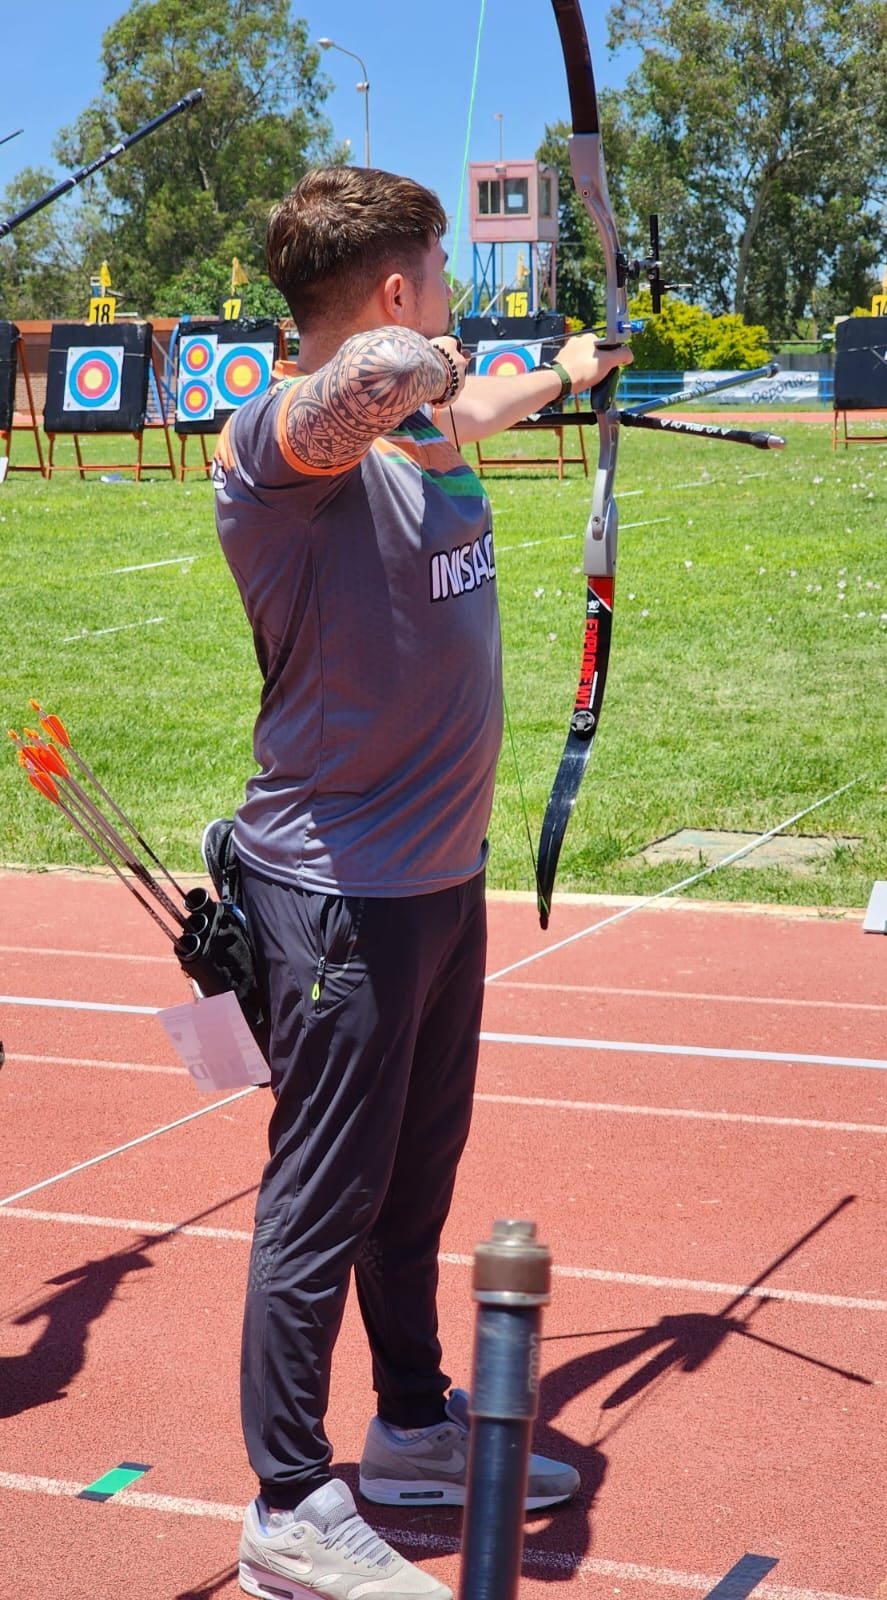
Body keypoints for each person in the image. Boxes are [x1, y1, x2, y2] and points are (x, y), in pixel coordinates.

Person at [209, 164, 631, 1600]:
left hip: (432, 884)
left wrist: (568, 371)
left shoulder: (415, 426)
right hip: (334, 891)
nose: (451, 309)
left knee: (412, 1184)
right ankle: (286, 1502)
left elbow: (465, 400)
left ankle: (404, 1428)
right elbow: (389, 373)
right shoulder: (279, 441)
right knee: (319, 1199)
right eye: (441, 278)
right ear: (398, 291)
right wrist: (435, 356)